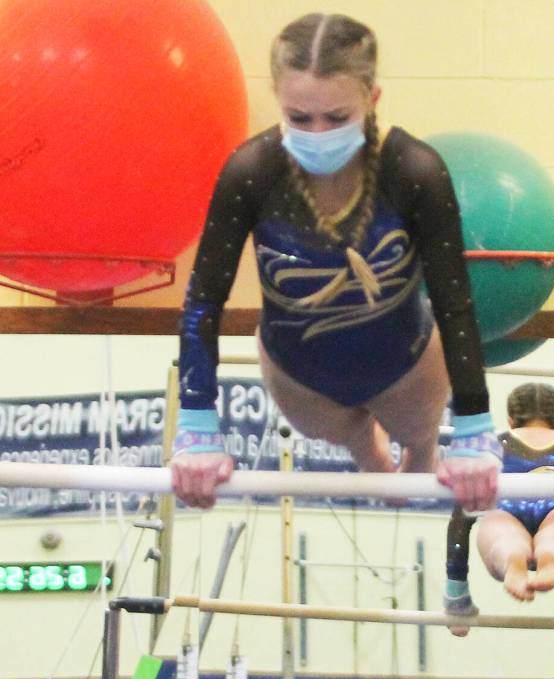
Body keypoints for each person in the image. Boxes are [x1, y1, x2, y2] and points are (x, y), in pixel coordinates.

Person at [169, 13, 501, 512]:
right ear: (278, 99)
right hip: (299, 374)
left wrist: (474, 425)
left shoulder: (414, 170)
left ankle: (420, 449)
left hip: (408, 366)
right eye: (299, 118)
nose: (318, 133)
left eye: (337, 117)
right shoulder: (251, 172)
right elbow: (203, 301)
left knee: (418, 436)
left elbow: (455, 302)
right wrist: (196, 423)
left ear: (373, 100)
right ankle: (366, 452)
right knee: (348, 436)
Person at [443, 382, 554, 633]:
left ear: (511, 420)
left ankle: (512, 560)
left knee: (502, 536)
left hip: (504, 510)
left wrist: (456, 593)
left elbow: (461, 519)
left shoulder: (491, 449)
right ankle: (553, 558)